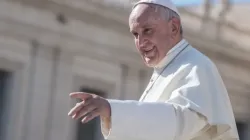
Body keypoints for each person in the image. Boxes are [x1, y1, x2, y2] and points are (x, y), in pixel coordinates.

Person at [68, 0, 239, 139]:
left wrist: (112, 110)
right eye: (135, 34)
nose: (141, 42)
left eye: (147, 30)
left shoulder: (198, 66)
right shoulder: (164, 68)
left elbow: (181, 121)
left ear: (174, 27)